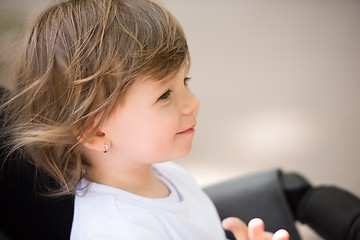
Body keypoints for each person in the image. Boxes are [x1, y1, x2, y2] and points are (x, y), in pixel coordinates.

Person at [1, 0, 289, 239]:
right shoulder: (121, 231)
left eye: (185, 81)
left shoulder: (165, 174)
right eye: (164, 95)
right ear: (95, 133)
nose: (193, 103)